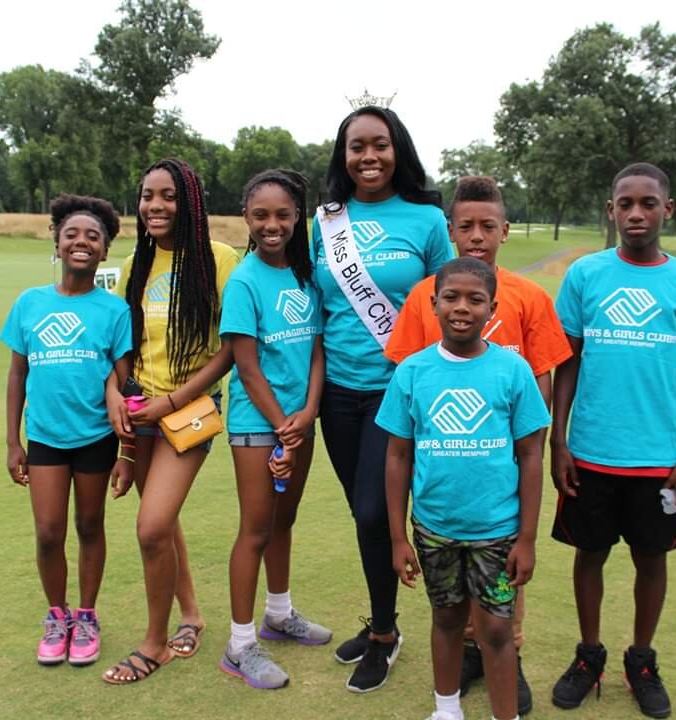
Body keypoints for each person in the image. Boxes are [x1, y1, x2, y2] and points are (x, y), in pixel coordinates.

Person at [385, 175, 571, 715]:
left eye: (487, 225)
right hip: (439, 511)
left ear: (504, 230)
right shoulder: (423, 307)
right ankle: (454, 693)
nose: (475, 235)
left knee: (498, 620)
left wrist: (528, 528)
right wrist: (398, 534)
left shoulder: (526, 307)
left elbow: (538, 399)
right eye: (464, 225)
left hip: (498, 503)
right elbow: (403, 431)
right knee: (449, 615)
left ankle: (504, 671)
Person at [548, 163, 676, 718]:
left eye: (648, 203)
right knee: (590, 554)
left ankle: (641, 660)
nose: (636, 213)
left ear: (667, 211)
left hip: (657, 458)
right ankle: (589, 655)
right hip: (592, 452)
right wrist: (560, 442)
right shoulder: (585, 274)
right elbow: (567, 362)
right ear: (611, 210)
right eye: (625, 203)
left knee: (652, 558)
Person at [312, 104, 454, 693]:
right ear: (342, 156)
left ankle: (385, 636)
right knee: (363, 512)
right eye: (356, 147)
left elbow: (453, 301)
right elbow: (311, 307)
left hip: (398, 392)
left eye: (380, 144)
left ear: (399, 150)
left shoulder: (425, 220)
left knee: (377, 511)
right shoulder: (323, 221)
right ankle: (383, 622)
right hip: (336, 395)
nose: (368, 157)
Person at [101, 158, 240, 684]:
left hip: (192, 412)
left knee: (152, 525)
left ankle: (155, 643)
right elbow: (118, 345)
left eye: (168, 196)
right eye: (146, 196)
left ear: (191, 203)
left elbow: (230, 349)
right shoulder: (137, 264)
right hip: (140, 412)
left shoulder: (217, 258)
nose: (155, 206)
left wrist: (174, 400)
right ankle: (192, 616)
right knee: (165, 523)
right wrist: (116, 390)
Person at [1, 194, 133, 668]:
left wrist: (127, 453)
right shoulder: (29, 303)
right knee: (48, 531)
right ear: (56, 243)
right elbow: (18, 373)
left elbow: (126, 382)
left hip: (97, 436)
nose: (81, 242)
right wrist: (13, 441)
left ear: (104, 251)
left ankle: (87, 616)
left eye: (93, 237)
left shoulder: (114, 311)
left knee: (88, 525)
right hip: (45, 438)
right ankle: (57, 617)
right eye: (72, 234)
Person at [218, 169, 330, 689]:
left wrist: (307, 413)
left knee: (284, 522)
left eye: (283, 215)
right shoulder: (244, 280)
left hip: (298, 421)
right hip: (256, 426)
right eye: (261, 215)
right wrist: (285, 427)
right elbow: (246, 367)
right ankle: (240, 646)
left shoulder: (306, 275)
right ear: (246, 217)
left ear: (297, 218)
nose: (272, 225)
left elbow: (315, 351)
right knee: (256, 529)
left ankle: (279, 615)